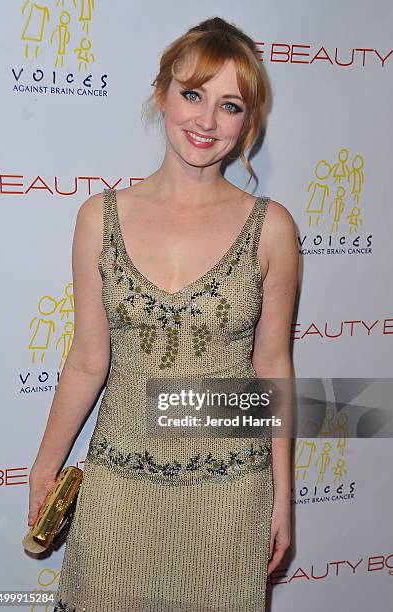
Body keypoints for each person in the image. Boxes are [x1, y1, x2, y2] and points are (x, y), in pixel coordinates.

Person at [28, 16, 298, 612]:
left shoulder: (271, 229)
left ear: (247, 121)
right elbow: (87, 359)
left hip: (229, 499)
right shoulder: (100, 217)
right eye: (193, 94)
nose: (205, 121)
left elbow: (272, 366)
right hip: (117, 489)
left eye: (230, 105)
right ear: (162, 94)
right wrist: (45, 468)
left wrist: (282, 496)